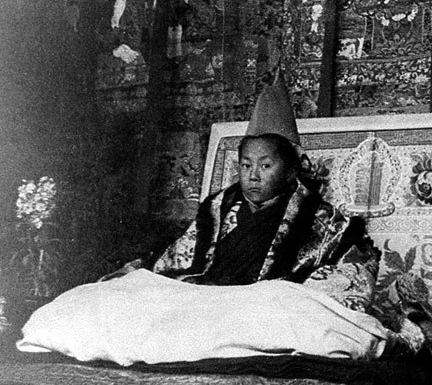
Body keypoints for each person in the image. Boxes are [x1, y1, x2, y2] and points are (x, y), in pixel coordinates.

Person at [112, 73, 381, 310]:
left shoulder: (323, 221)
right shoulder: (218, 209)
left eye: (265, 165)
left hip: (269, 309)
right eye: (245, 165)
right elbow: (176, 262)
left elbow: (350, 276)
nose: (253, 175)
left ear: (289, 171)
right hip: (211, 303)